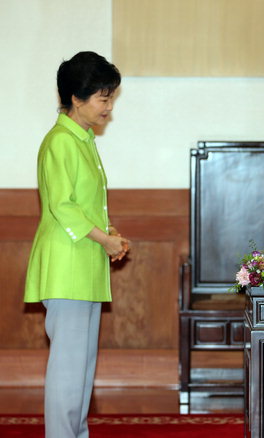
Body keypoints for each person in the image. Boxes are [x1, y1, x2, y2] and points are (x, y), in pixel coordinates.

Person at [24, 51, 130, 438]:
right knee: (68, 367)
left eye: (110, 98)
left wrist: (108, 234)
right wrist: (104, 239)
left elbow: (85, 206)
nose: (108, 107)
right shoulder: (60, 142)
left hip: (83, 263)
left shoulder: (82, 140)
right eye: (103, 99)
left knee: (82, 367)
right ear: (76, 98)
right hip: (67, 265)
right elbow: (63, 207)